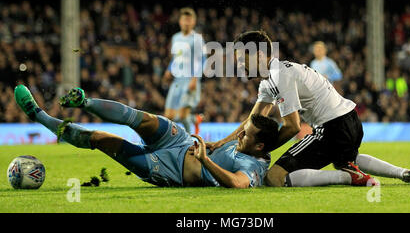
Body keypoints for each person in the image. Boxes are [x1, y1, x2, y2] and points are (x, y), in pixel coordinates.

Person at [208, 30, 410, 187]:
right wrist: (221, 143)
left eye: (242, 58)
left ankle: (348, 177)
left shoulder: (280, 75)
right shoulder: (269, 80)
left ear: (259, 55)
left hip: (332, 126)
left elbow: (292, 126)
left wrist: (261, 149)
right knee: (346, 158)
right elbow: (253, 120)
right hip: (349, 120)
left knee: (275, 177)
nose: (238, 64)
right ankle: (405, 173)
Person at [14, 85, 278, 188]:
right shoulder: (248, 141)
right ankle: (85, 101)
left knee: (102, 140)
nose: (241, 134)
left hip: (169, 170)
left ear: (261, 146)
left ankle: (38, 115)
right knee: (146, 119)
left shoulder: (253, 166)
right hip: (181, 141)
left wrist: (206, 159)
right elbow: (238, 136)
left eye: (247, 135)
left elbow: (239, 184)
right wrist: (216, 143)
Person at [162, 7, 204, 134]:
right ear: (180, 21)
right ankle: (195, 119)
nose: (186, 22)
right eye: (184, 20)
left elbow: (202, 61)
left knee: (181, 115)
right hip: (177, 81)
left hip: (190, 80)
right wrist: (169, 70)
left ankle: (189, 142)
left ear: (193, 22)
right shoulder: (175, 38)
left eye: (189, 20)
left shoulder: (197, 39)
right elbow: (176, 58)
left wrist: (195, 79)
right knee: (168, 116)